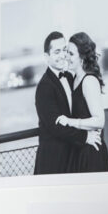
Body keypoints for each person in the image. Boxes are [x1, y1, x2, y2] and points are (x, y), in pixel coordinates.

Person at [33, 31, 100, 175]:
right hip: (53, 162)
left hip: (72, 158)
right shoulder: (44, 87)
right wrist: (85, 137)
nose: (63, 55)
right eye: (57, 52)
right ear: (46, 57)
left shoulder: (70, 78)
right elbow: (55, 126)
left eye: (64, 50)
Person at [55, 31, 108, 173]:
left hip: (92, 154)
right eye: (66, 52)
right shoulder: (74, 80)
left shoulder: (89, 81)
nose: (66, 57)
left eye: (71, 54)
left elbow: (100, 121)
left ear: (82, 58)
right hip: (81, 150)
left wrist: (70, 121)